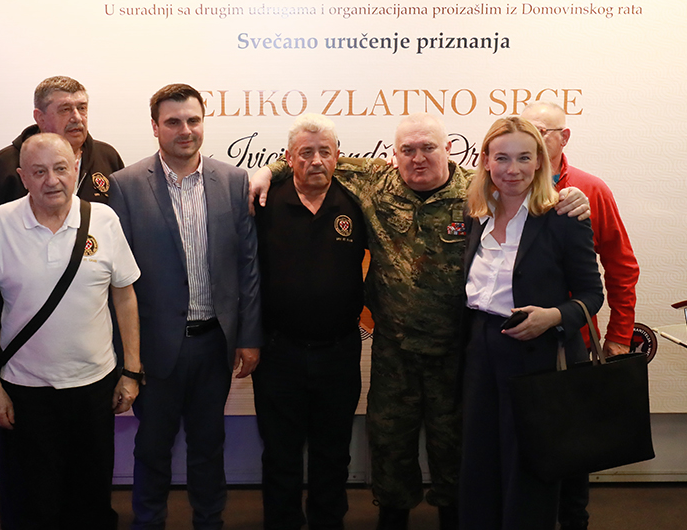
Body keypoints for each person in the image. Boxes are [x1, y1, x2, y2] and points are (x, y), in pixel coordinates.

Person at [249, 115, 590, 530]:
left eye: (428, 148)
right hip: (394, 352)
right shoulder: (376, 182)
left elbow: (530, 193)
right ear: (394, 154)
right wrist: (267, 171)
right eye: (407, 150)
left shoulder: (479, 193)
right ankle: (392, 518)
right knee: (390, 446)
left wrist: (570, 195)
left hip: (458, 352)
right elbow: (315, 158)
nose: (418, 158)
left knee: (455, 448)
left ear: (449, 150)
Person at [0, 133, 143, 530]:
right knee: (28, 505)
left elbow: (125, 297)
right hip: (23, 392)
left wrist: (131, 371)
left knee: (91, 502)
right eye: (39, 171)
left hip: (93, 388)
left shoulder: (104, 220)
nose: (52, 180)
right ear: (22, 177)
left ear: (76, 169)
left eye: (61, 168)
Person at [107, 83, 262, 530]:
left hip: (214, 343)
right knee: (152, 449)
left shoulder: (232, 181)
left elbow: (247, 265)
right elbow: (117, 281)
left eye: (193, 120)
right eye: (173, 122)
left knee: (209, 446)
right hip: (154, 349)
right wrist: (126, 356)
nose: (185, 130)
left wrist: (249, 336)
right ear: (155, 127)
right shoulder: (125, 186)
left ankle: (209, 521)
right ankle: (148, 522)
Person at [460, 116, 604, 530]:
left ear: (540, 161)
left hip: (538, 356)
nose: (513, 169)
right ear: (486, 161)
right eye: (502, 158)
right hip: (481, 352)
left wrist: (554, 317)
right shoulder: (475, 213)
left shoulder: (563, 215)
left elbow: (592, 295)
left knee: (528, 469)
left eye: (524, 158)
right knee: (480, 463)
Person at [521, 101, 640, 530]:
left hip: (571, 344)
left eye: (541, 132)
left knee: (572, 450)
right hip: (515, 345)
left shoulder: (590, 190)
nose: (533, 141)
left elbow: (621, 267)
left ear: (563, 137)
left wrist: (620, 335)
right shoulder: (504, 185)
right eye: (525, 131)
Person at [252, 115, 367, 530]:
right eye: (305, 153)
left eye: (324, 152)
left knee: (332, 453)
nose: (316, 161)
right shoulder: (263, 203)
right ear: (288, 158)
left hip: (339, 351)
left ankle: (327, 523)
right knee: (280, 453)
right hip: (279, 353)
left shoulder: (357, 202)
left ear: (338, 157)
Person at [0, 75, 125, 223]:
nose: (77, 117)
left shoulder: (107, 156)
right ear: (40, 118)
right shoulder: (6, 164)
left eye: (82, 108)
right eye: (65, 109)